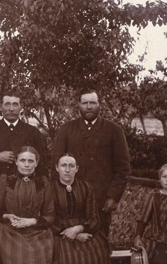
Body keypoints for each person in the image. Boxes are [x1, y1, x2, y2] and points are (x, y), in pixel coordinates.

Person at [51, 154, 124, 264]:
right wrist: (71, 233)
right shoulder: (50, 189)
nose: (67, 170)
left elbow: (94, 218)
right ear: (57, 168)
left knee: (98, 254)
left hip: (84, 229)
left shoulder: (85, 187)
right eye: (63, 165)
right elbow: (50, 218)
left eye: (71, 166)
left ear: (77, 169)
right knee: (68, 259)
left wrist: (78, 229)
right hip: (60, 232)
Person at [52, 89, 130, 237]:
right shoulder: (66, 129)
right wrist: (56, 194)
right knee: (68, 239)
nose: (89, 107)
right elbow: (55, 165)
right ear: (79, 105)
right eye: (85, 103)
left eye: (93, 103)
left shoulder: (114, 130)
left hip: (100, 198)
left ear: (99, 105)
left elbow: (123, 169)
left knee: (98, 239)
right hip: (70, 197)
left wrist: (113, 196)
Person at [0, 146, 55, 264]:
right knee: (18, 263)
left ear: (36, 163)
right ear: (16, 162)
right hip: (10, 230)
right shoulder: (6, 181)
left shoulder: (43, 183)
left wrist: (32, 221)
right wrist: (8, 216)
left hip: (36, 230)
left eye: (30, 161)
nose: (26, 165)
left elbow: (50, 215)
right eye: (22, 160)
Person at [0, 92, 48, 180]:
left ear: (21, 107)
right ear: (0, 106)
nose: (11, 109)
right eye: (7, 104)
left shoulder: (32, 132)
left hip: (25, 184)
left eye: (15, 104)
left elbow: (42, 163)